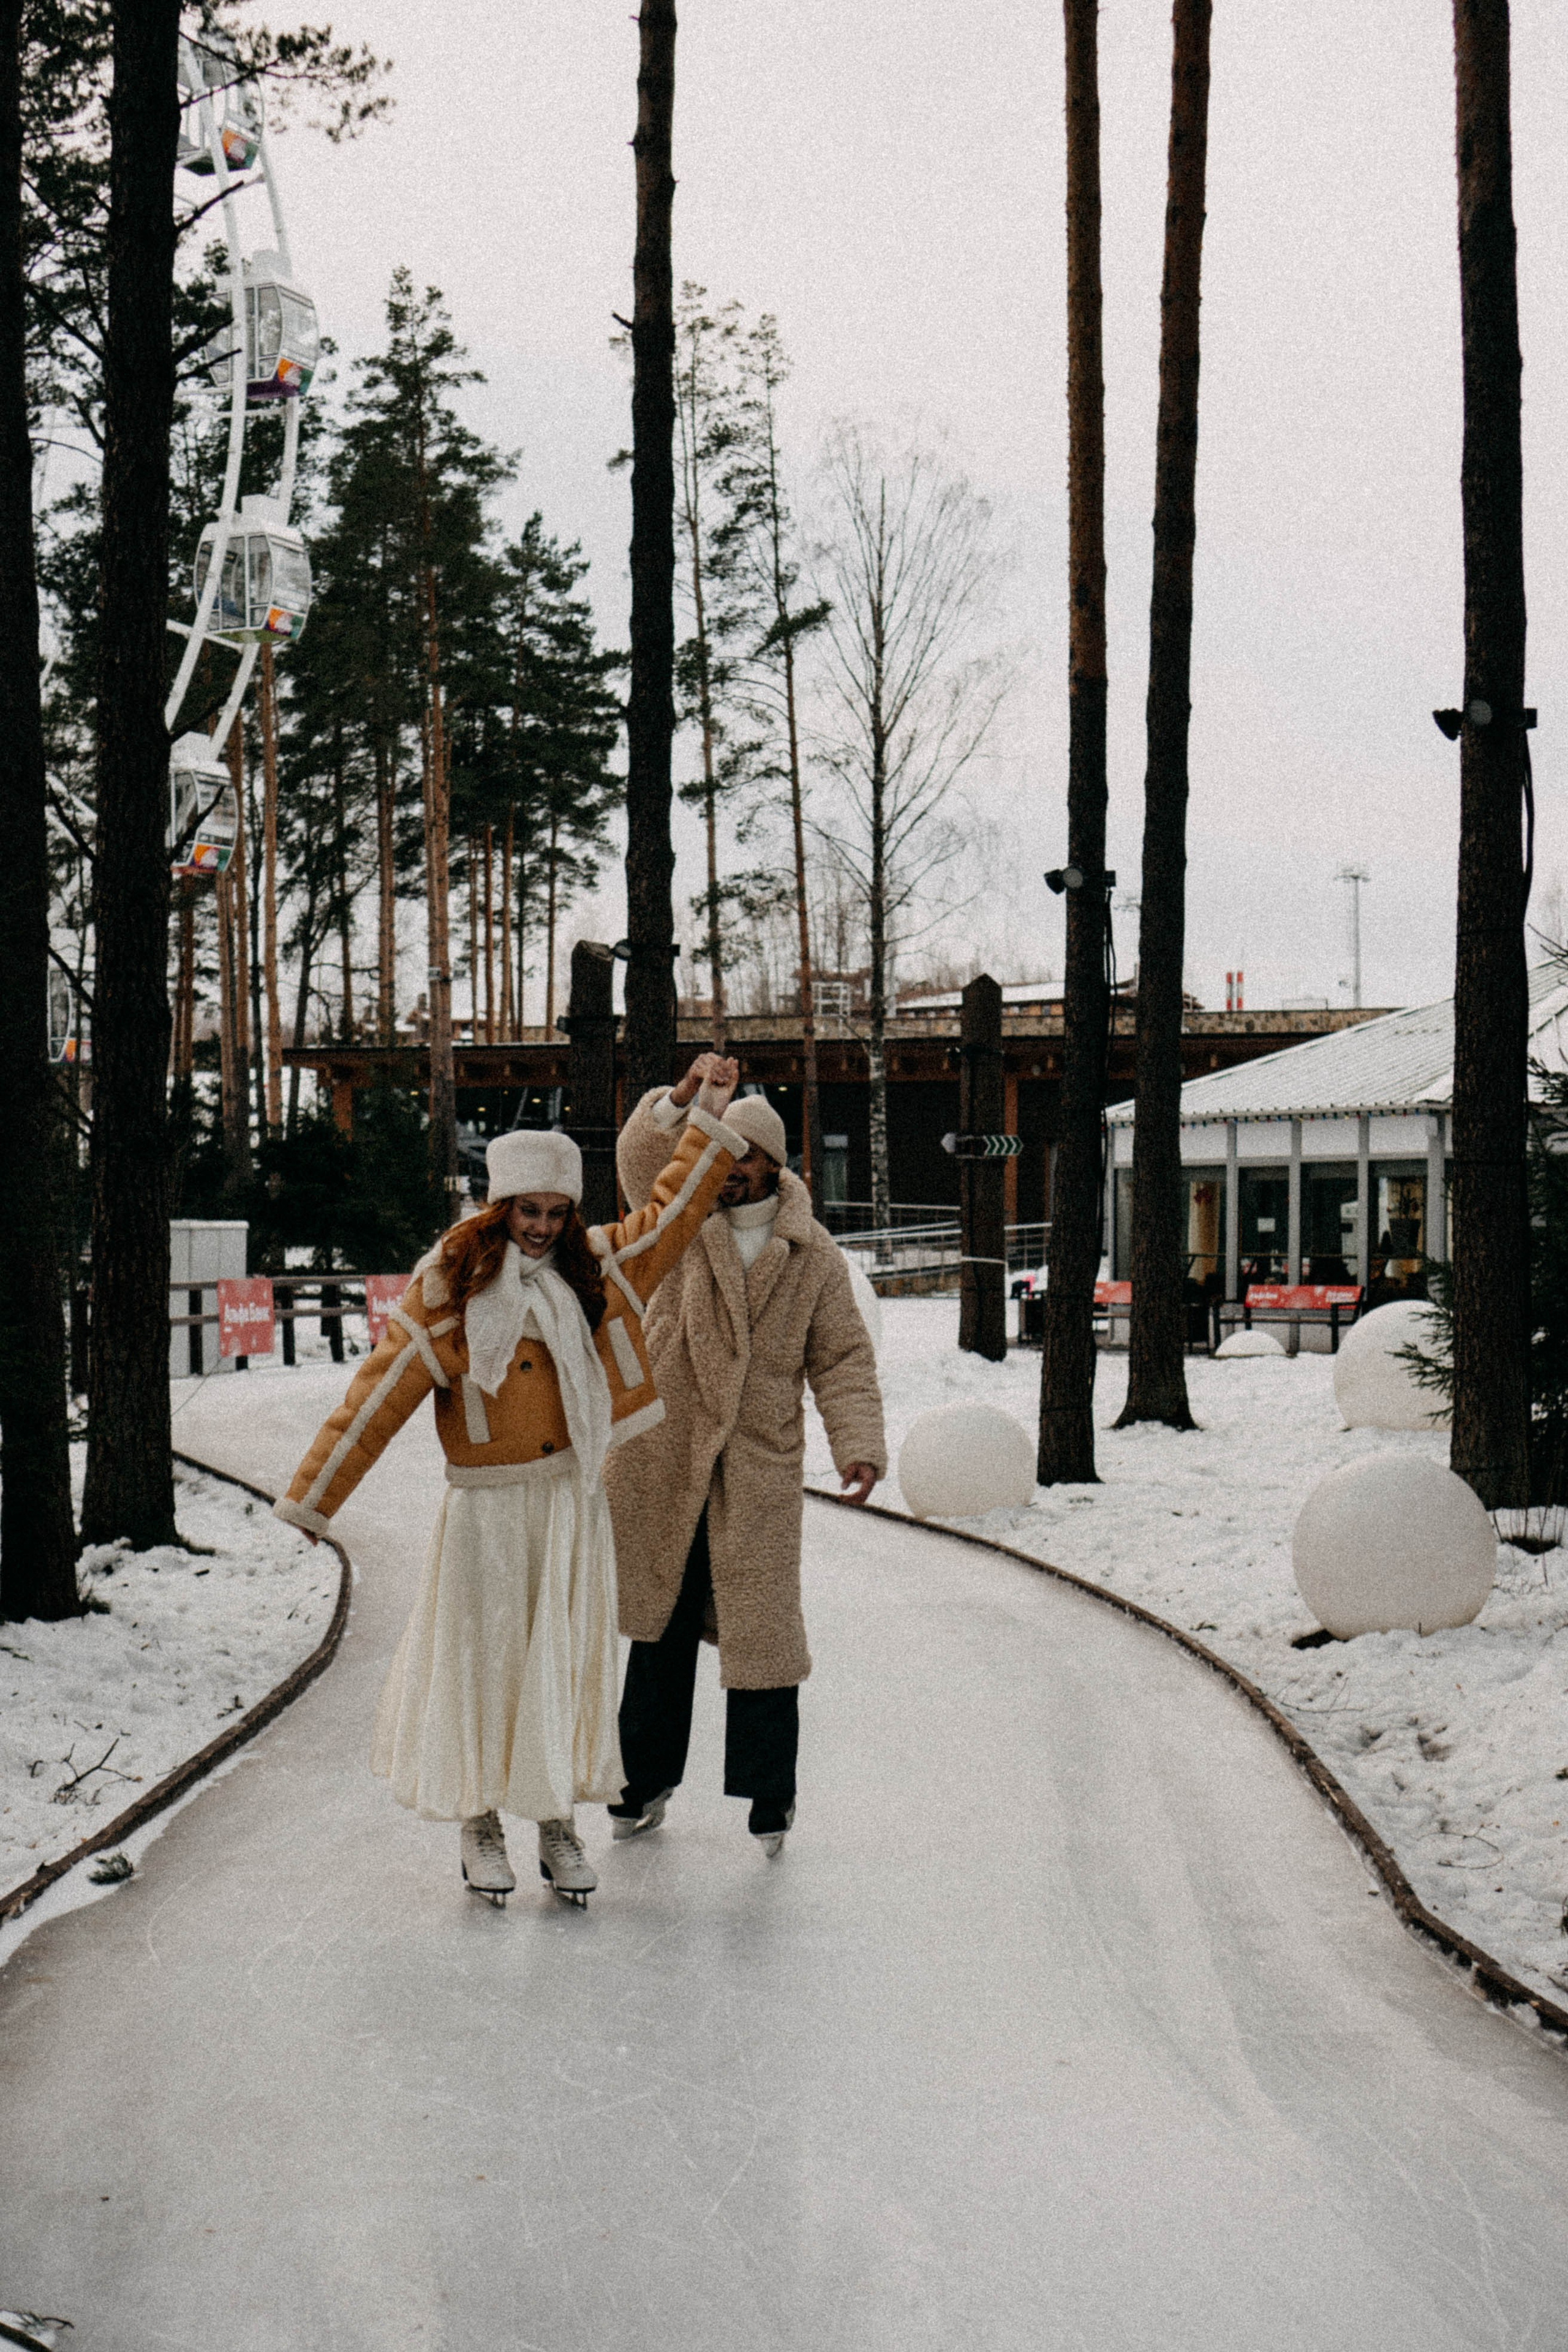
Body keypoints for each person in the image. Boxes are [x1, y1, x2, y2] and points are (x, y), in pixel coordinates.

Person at [273, 1060, 748, 1908]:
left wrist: (706, 1115)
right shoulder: (450, 1286)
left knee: (559, 1665)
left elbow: (672, 1215)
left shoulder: (593, 1271)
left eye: (556, 1212)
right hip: (487, 1510)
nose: (541, 1228)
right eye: (528, 1211)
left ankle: (556, 1820)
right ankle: (480, 1822)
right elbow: (376, 1396)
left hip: (568, 1504)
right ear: (500, 1208)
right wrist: (317, 1496)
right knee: (488, 1666)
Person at [603, 1058, 886, 1856]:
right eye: (719, 1152)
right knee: (659, 1627)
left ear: (772, 1165)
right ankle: (640, 1780)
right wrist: (682, 1101)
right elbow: (639, 1163)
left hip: (758, 1463)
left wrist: (859, 1445)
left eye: (744, 1156)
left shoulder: (812, 1253)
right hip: (668, 1450)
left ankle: (770, 1794)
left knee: (764, 1634)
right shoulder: (680, 1220)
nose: (727, 1168)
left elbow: (841, 1358)